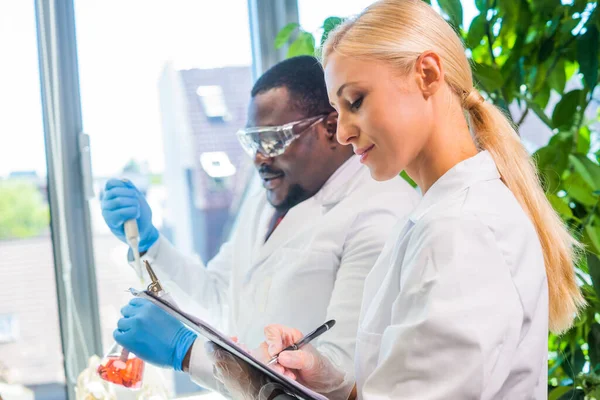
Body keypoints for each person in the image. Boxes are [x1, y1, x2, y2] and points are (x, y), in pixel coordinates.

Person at [209, 1, 585, 399]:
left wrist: (257, 388)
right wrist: (329, 380)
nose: (343, 134)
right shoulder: (438, 215)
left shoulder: (460, 230)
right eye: (338, 111)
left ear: (427, 74)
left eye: (355, 102)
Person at [101, 55, 419, 394]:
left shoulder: (381, 212)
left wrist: (187, 351)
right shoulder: (268, 199)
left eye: (272, 139)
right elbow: (219, 296)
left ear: (330, 128)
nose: (259, 158)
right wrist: (150, 244)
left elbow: (340, 380)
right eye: (252, 141)